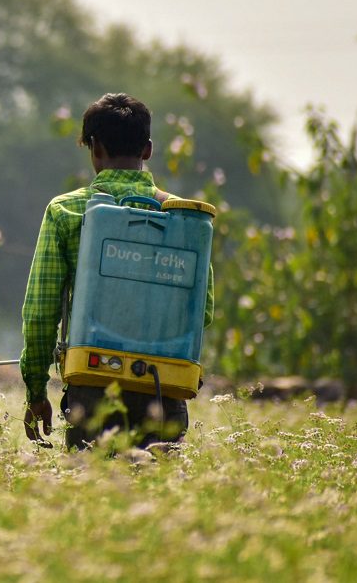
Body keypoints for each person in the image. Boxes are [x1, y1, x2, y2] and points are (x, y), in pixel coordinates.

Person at [20, 92, 213, 449]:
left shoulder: (67, 211)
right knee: (163, 499)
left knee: (92, 495)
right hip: (165, 390)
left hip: (92, 388)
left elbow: (41, 311)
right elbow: (203, 310)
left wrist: (35, 390)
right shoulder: (183, 217)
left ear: (94, 148)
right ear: (148, 150)